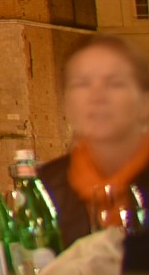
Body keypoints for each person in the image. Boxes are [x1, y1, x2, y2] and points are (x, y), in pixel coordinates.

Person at [38, 36, 149, 244]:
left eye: (115, 83)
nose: (97, 97)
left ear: (145, 102)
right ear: (66, 102)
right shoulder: (47, 185)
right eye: (82, 84)